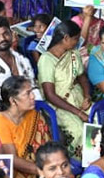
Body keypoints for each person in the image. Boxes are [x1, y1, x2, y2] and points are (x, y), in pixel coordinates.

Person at [0, 75, 52, 178]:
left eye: (32, 92)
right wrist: (44, 172)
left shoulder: (34, 115)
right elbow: (12, 160)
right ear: (13, 101)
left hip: (40, 170)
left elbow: (48, 148)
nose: (33, 96)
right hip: (16, 177)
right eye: (27, 93)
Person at [36, 18, 90, 148]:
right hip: (59, 105)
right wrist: (78, 112)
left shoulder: (73, 54)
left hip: (78, 99)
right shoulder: (46, 60)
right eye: (75, 39)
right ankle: (78, 163)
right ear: (66, 38)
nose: (77, 43)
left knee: (98, 120)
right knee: (78, 131)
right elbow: (50, 95)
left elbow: (82, 77)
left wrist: (87, 96)